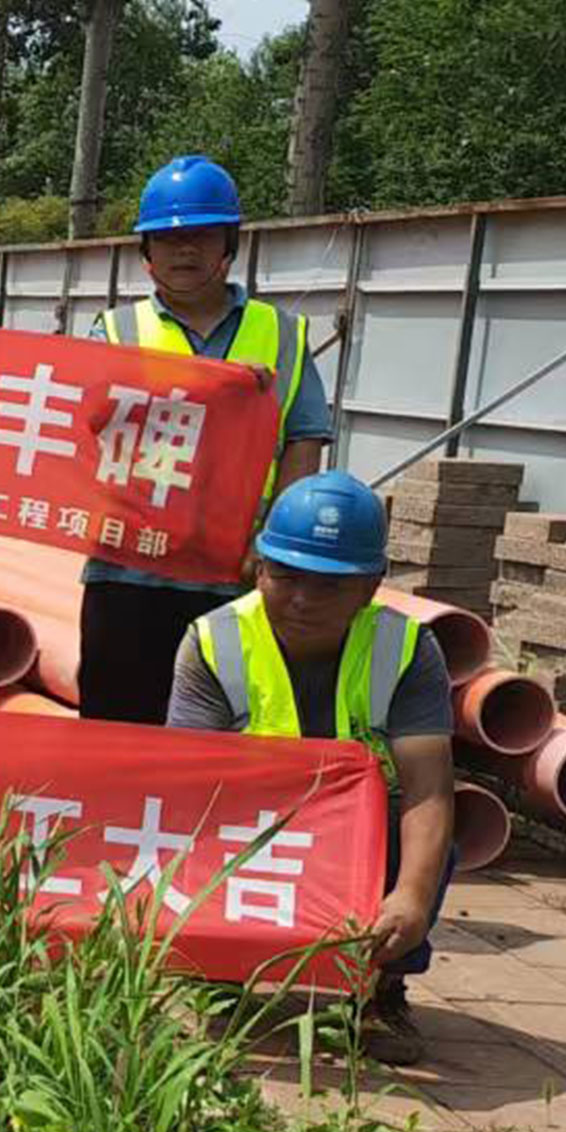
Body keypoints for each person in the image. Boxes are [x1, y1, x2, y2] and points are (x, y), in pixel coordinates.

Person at [167, 470, 452, 1063]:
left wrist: (412, 896)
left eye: (328, 585)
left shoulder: (406, 651)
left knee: (428, 845)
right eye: (286, 576)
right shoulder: (214, 642)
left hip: (360, 835)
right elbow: (186, 785)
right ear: (259, 568)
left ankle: (380, 989)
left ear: (371, 585)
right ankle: (217, 976)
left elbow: (429, 789)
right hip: (249, 825)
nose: (302, 599)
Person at [80, 154, 331, 725]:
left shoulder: (280, 335)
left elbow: (305, 440)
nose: (185, 251)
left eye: (201, 236)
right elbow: (82, 427)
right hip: (128, 571)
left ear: (229, 245)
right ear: (146, 253)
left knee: (221, 730)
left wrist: (271, 545)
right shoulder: (114, 331)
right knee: (117, 729)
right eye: (168, 240)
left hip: (233, 572)